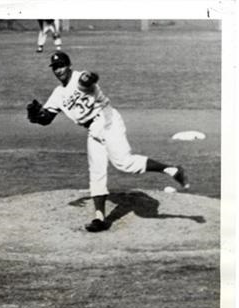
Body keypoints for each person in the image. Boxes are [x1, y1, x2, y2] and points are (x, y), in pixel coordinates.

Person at [26, 51, 190, 232]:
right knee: (96, 172)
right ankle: (99, 218)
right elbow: (47, 118)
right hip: (92, 129)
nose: (59, 70)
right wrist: (36, 117)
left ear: (69, 65)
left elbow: (89, 79)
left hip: (107, 120)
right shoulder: (58, 94)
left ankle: (173, 170)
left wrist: (89, 78)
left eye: (62, 65)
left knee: (124, 163)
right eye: (55, 67)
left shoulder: (80, 78)